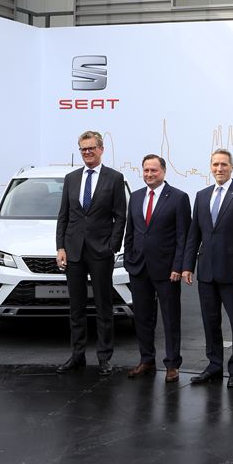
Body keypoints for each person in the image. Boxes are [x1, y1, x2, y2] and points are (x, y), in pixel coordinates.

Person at [182, 149, 233, 388]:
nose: (219, 168)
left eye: (224, 164)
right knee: (210, 321)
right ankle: (214, 365)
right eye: (215, 164)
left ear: (232, 167)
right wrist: (187, 266)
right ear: (210, 167)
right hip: (206, 271)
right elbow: (194, 234)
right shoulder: (202, 195)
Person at [55, 130, 126, 376]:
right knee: (76, 307)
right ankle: (77, 356)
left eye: (91, 148)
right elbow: (63, 216)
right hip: (73, 251)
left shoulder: (114, 178)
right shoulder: (71, 178)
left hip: (100, 252)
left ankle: (104, 357)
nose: (87, 152)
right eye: (83, 149)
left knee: (104, 306)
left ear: (101, 149)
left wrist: (112, 246)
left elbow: (120, 216)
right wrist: (60, 247)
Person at [123, 154, 191, 382]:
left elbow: (183, 236)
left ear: (163, 172)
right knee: (142, 317)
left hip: (167, 270)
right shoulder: (135, 197)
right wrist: (129, 258)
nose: (149, 174)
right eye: (146, 170)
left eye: (154, 170)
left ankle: (172, 364)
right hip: (139, 268)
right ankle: (146, 360)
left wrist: (178, 266)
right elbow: (130, 232)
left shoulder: (179, 198)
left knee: (170, 318)